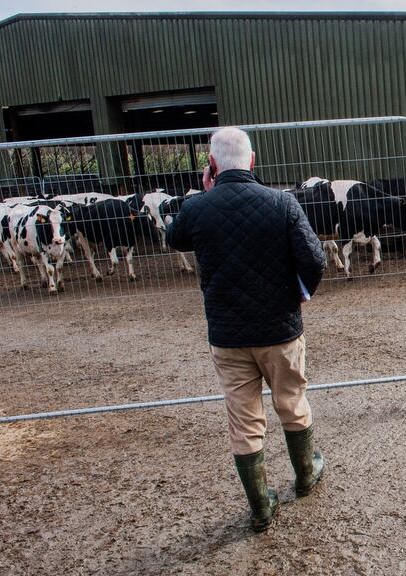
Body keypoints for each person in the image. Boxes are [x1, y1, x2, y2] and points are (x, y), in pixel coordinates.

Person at [166, 127, 328, 532]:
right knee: (292, 401)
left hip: (229, 337)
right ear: (253, 160)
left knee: (244, 420)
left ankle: (260, 506)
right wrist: (301, 292)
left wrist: (204, 191)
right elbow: (315, 258)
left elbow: (174, 237)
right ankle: (306, 474)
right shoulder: (282, 203)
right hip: (281, 331)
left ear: (212, 164)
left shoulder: (198, 207)